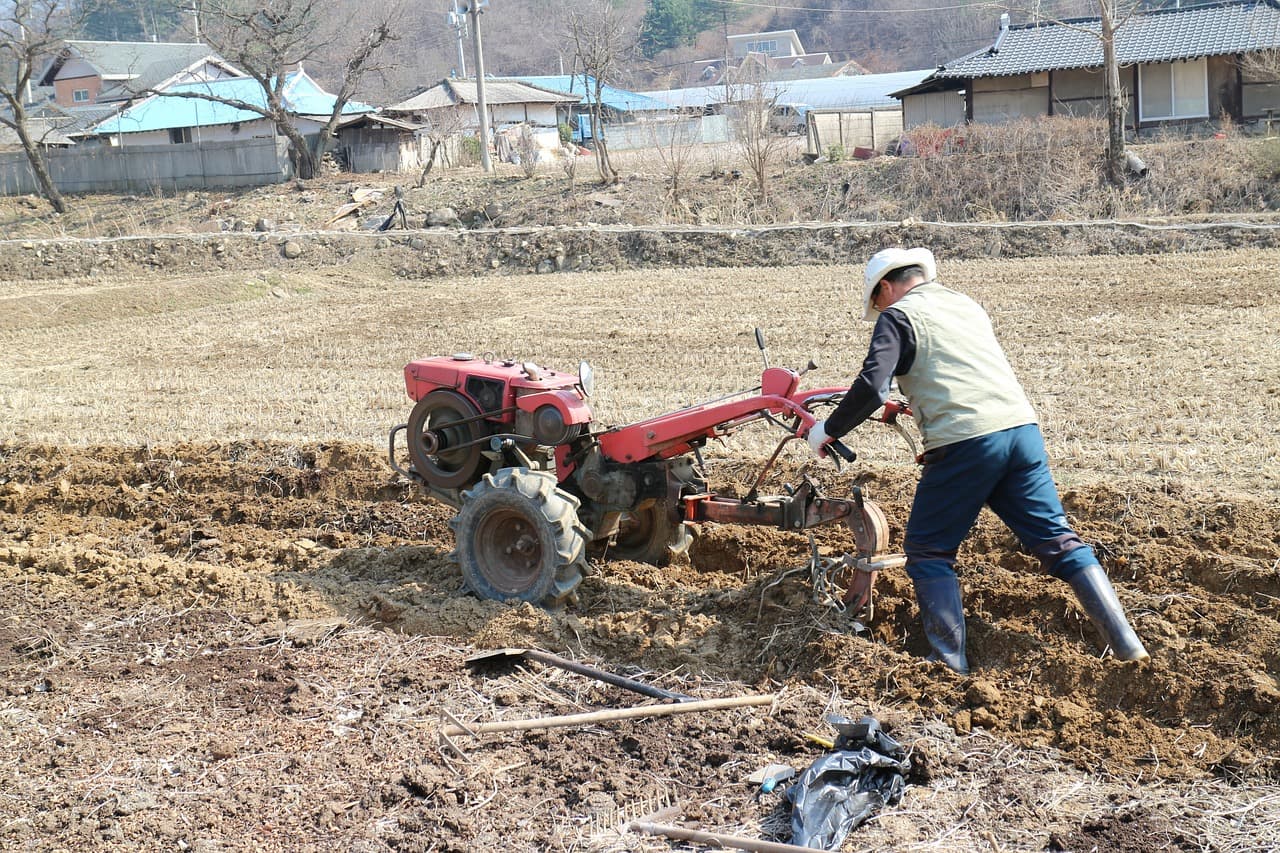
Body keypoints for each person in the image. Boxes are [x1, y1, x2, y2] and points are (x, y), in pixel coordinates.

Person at [807, 247, 1148, 674]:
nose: (878, 311)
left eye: (876, 303)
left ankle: (949, 665)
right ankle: (1128, 644)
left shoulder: (898, 316)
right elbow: (952, 370)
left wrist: (828, 429)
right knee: (1058, 541)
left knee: (928, 550)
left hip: (966, 443)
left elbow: (872, 388)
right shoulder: (965, 305)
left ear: (887, 288)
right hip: (1021, 432)